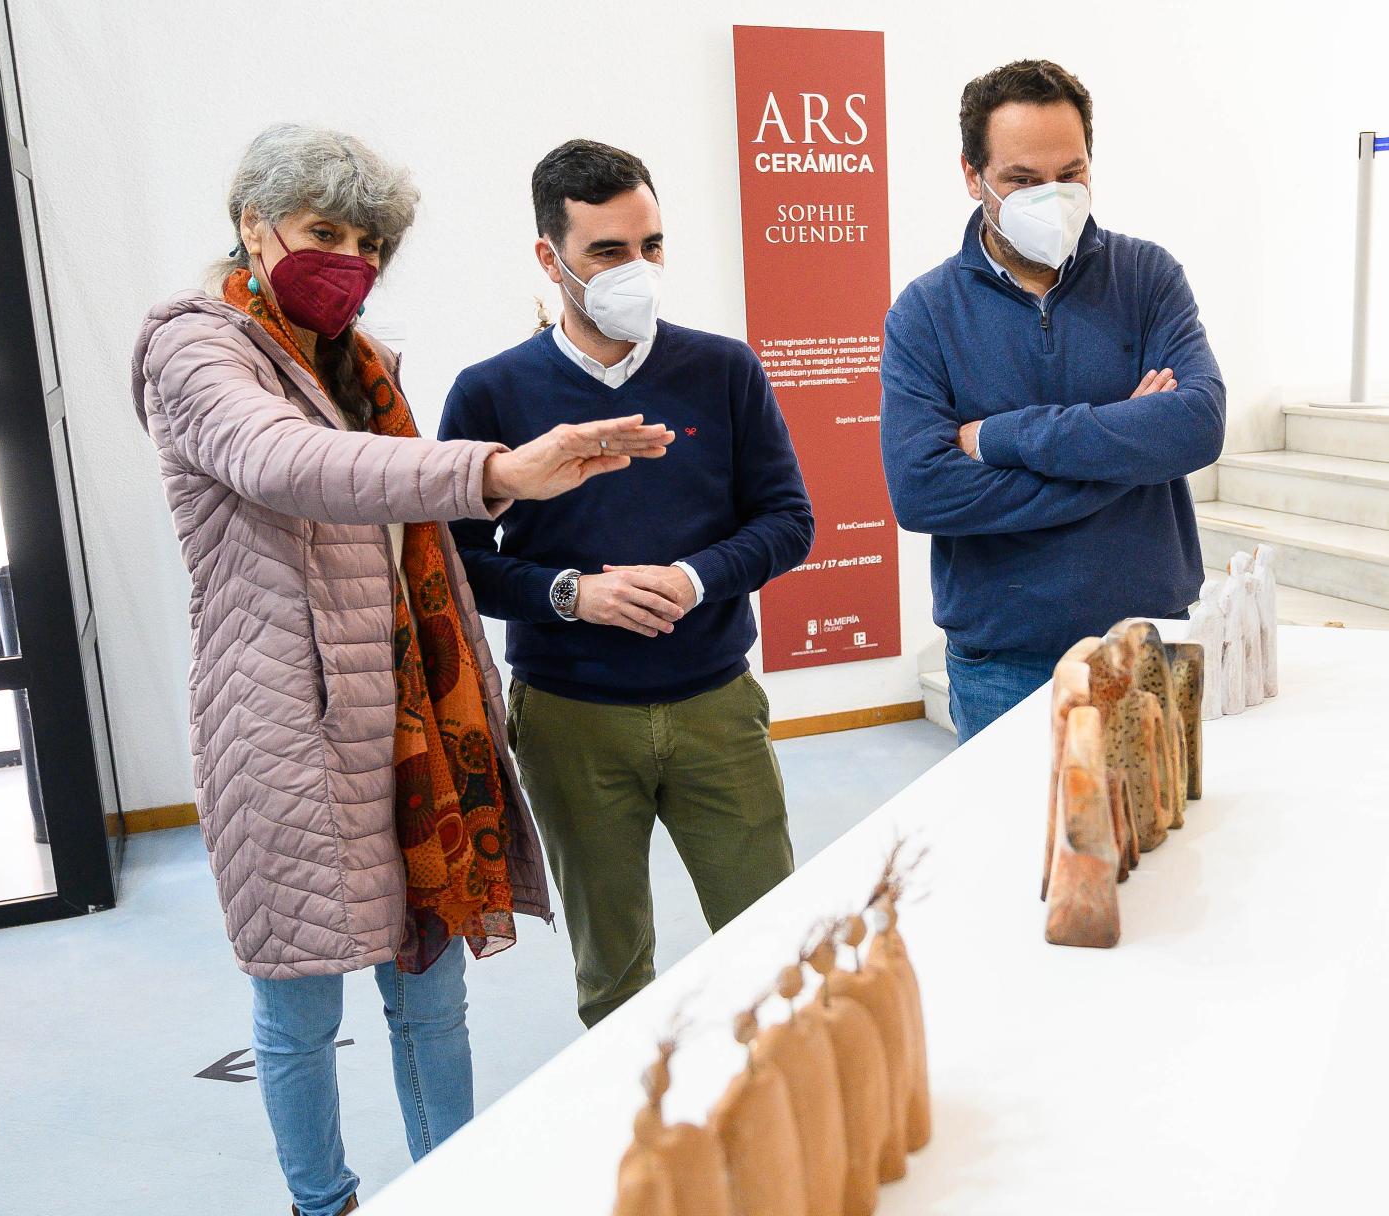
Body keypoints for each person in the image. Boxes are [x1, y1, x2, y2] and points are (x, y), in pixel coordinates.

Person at [131, 124, 672, 1216]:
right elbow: (290, 461)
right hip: (283, 722)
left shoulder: (361, 362)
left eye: (369, 241)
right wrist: (495, 470)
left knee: (431, 989)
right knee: (300, 1003)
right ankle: (322, 1203)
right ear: (253, 225)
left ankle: (450, 1184)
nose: (352, 258)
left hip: (410, 710)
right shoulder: (194, 347)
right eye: (325, 232)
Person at [441, 140, 812, 1027]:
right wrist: (571, 594)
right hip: (571, 719)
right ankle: (635, 1112)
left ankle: (784, 1101)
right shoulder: (491, 393)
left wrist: (694, 577)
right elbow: (459, 563)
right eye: (608, 251)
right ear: (551, 259)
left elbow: (787, 521)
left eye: (651, 245)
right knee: (611, 973)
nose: (637, 269)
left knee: (771, 949)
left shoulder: (724, 371)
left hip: (715, 705)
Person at [880, 60, 1226, 742]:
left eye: (1071, 174)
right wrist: (1128, 457)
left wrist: (1000, 437)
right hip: (1002, 662)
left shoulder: (1147, 277)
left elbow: (1196, 427)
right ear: (972, 175)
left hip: (1146, 642)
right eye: (1023, 180)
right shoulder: (925, 313)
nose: (1053, 197)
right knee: (1007, 818)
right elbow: (922, 493)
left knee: (1161, 817)